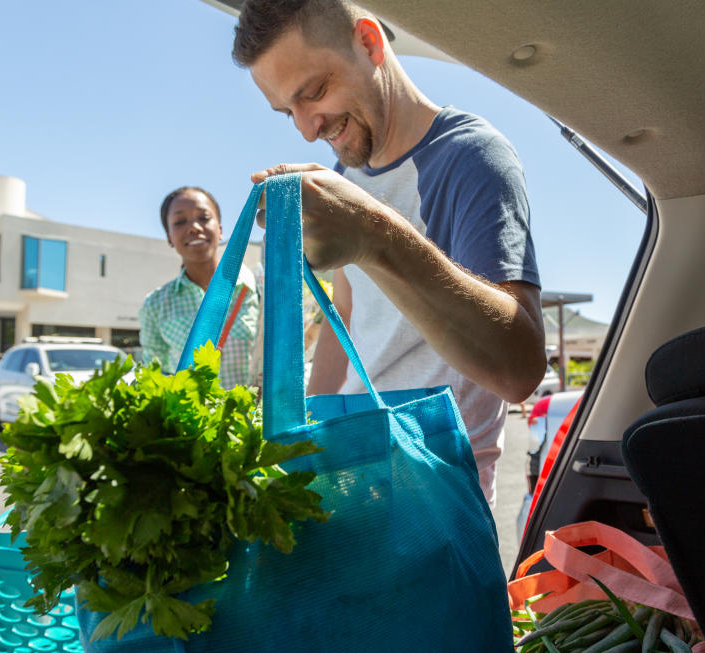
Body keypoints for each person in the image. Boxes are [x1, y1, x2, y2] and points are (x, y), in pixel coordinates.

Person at [232, 0, 546, 506]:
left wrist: (374, 235)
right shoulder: (347, 181)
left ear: (370, 42)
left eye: (314, 93)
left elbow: (519, 370)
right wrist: (298, 438)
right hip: (353, 469)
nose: (308, 129)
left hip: (433, 492)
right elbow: (347, 317)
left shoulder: (471, 155)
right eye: (288, 111)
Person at [138, 186, 259, 389]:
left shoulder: (259, 288)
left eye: (204, 218)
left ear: (220, 229)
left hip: (257, 419)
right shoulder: (155, 306)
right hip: (195, 420)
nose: (194, 227)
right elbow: (154, 375)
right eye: (179, 222)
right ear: (169, 237)